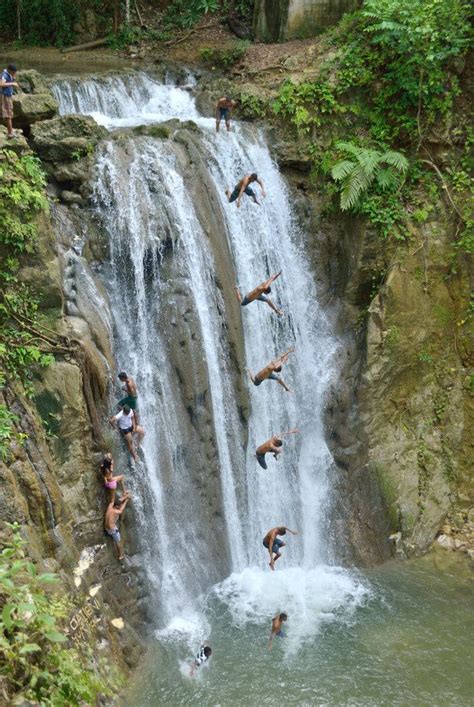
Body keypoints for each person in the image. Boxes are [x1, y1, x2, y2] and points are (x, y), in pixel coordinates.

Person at [104, 492, 130, 561]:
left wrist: (124, 497)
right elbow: (121, 510)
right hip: (112, 530)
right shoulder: (115, 512)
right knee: (118, 542)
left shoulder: (110, 506)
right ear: (116, 507)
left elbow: (116, 501)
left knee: (113, 522)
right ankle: (120, 555)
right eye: (118, 506)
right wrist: (126, 500)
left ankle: (109, 534)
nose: (119, 507)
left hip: (106, 528)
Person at [0, 63, 18, 138]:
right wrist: (12, 83)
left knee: (9, 112)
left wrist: (13, 78)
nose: (14, 73)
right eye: (13, 72)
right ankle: (10, 133)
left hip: (8, 95)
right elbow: (1, 84)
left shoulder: (8, 74)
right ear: (9, 70)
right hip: (5, 96)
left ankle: (10, 131)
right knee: (8, 114)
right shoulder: (4, 75)